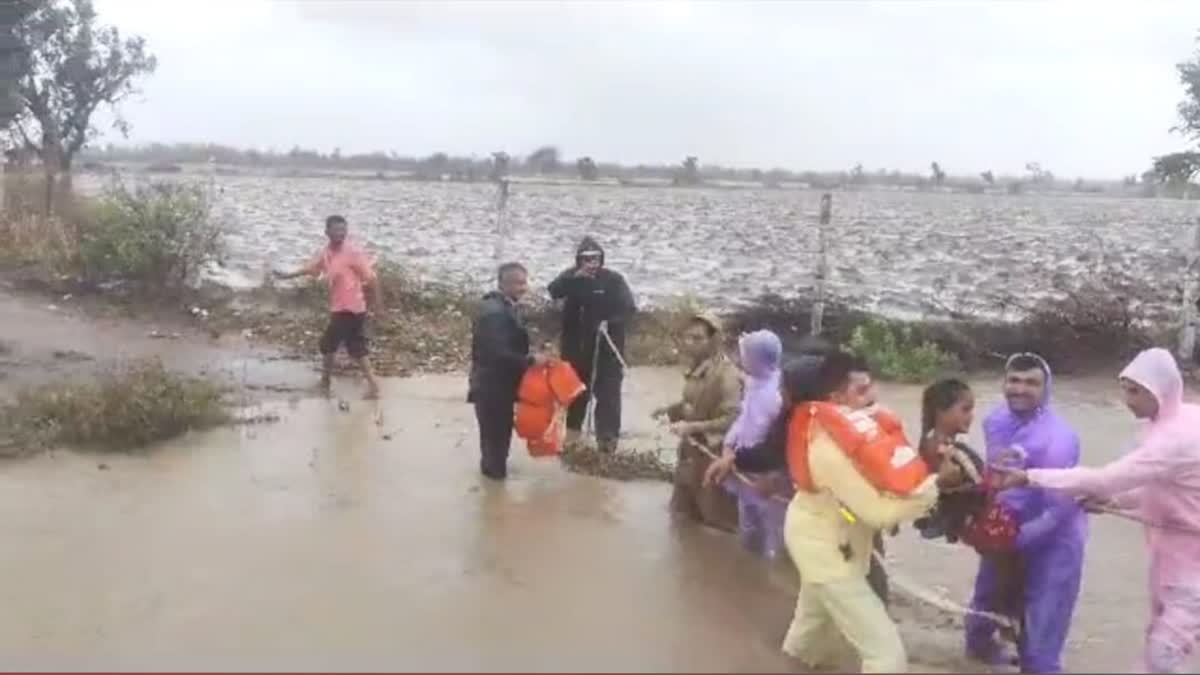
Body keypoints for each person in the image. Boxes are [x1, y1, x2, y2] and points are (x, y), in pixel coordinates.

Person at [995, 348, 1200, 673]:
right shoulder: (1165, 423)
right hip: (1171, 556)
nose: (1127, 400)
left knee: (1164, 652)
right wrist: (1115, 502)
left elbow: (1105, 479)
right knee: (1162, 644)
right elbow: (1164, 490)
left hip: (1191, 565)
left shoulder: (1175, 437)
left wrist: (1029, 477)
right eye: (1125, 389)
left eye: (1135, 392)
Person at [780, 349, 957, 673]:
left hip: (832, 542)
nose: (873, 396)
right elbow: (879, 515)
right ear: (835, 398)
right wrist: (935, 486)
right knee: (887, 657)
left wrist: (926, 468)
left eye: (871, 386)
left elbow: (888, 478)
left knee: (808, 640)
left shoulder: (853, 433)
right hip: (825, 551)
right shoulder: (827, 450)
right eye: (861, 391)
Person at [965, 353, 1087, 673]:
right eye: (1014, 381)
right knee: (988, 594)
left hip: (1054, 536)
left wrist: (1019, 540)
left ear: (1046, 389)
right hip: (1005, 521)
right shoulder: (994, 421)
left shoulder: (1058, 438)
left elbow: (1061, 505)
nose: (1020, 389)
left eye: (1031, 382)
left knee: (1044, 616)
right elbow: (994, 477)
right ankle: (979, 647)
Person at [274, 214, 382, 399]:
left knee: (331, 344)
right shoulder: (327, 253)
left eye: (343, 230)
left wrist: (378, 306)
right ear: (327, 232)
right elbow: (310, 268)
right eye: (337, 230)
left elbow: (371, 278)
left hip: (351, 308)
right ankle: (370, 386)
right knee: (353, 347)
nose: (341, 233)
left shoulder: (352, 252)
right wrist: (286, 276)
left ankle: (327, 384)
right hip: (340, 308)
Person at [652, 313, 742, 532]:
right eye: (687, 337)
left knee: (715, 523)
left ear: (714, 340)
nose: (689, 343)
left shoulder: (727, 376)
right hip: (689, 453)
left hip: (711, 456)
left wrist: (692, 427)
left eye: (697, 338)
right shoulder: (696, 368)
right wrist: (671, 410)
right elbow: (691, 403)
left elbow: (733, 419)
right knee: (680, 515)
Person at [548, 236, 637, 453]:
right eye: (586, 259)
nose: (591, 264)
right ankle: (572, 439)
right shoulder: (570, 278)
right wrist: (574, 279)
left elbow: (629, 309)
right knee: (576, 395)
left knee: (608, 397)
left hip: (607, 349)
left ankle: (607, 444)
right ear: (579, 260)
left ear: (601, 259)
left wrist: (610, 322)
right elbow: (553, 291)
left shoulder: (613, 280)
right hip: (576, 351)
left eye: (595, 259)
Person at [467, 263, 547, 480]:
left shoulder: (502, 306)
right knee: (496, 443)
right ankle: (494, 499)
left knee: (496, 442)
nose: (524, 288)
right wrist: (530, 360)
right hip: (492, 387)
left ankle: (491, 486)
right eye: (519, 283)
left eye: (525, 282)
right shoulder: (495, 314)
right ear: (504, 284)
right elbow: (496, 353)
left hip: (495, 384)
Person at [715, 330, 787, 558]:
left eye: (744, 353)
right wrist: (729, 446)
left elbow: (775, 440)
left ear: (757, 360)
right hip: (744, 466)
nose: (740, 357)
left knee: (771, 530)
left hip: (765, 474)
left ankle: (765, 578)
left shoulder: (775, 396)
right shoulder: (754, 382)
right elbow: (743, 419)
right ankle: (749, 570)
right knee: (748, 521)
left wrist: (734, 457)